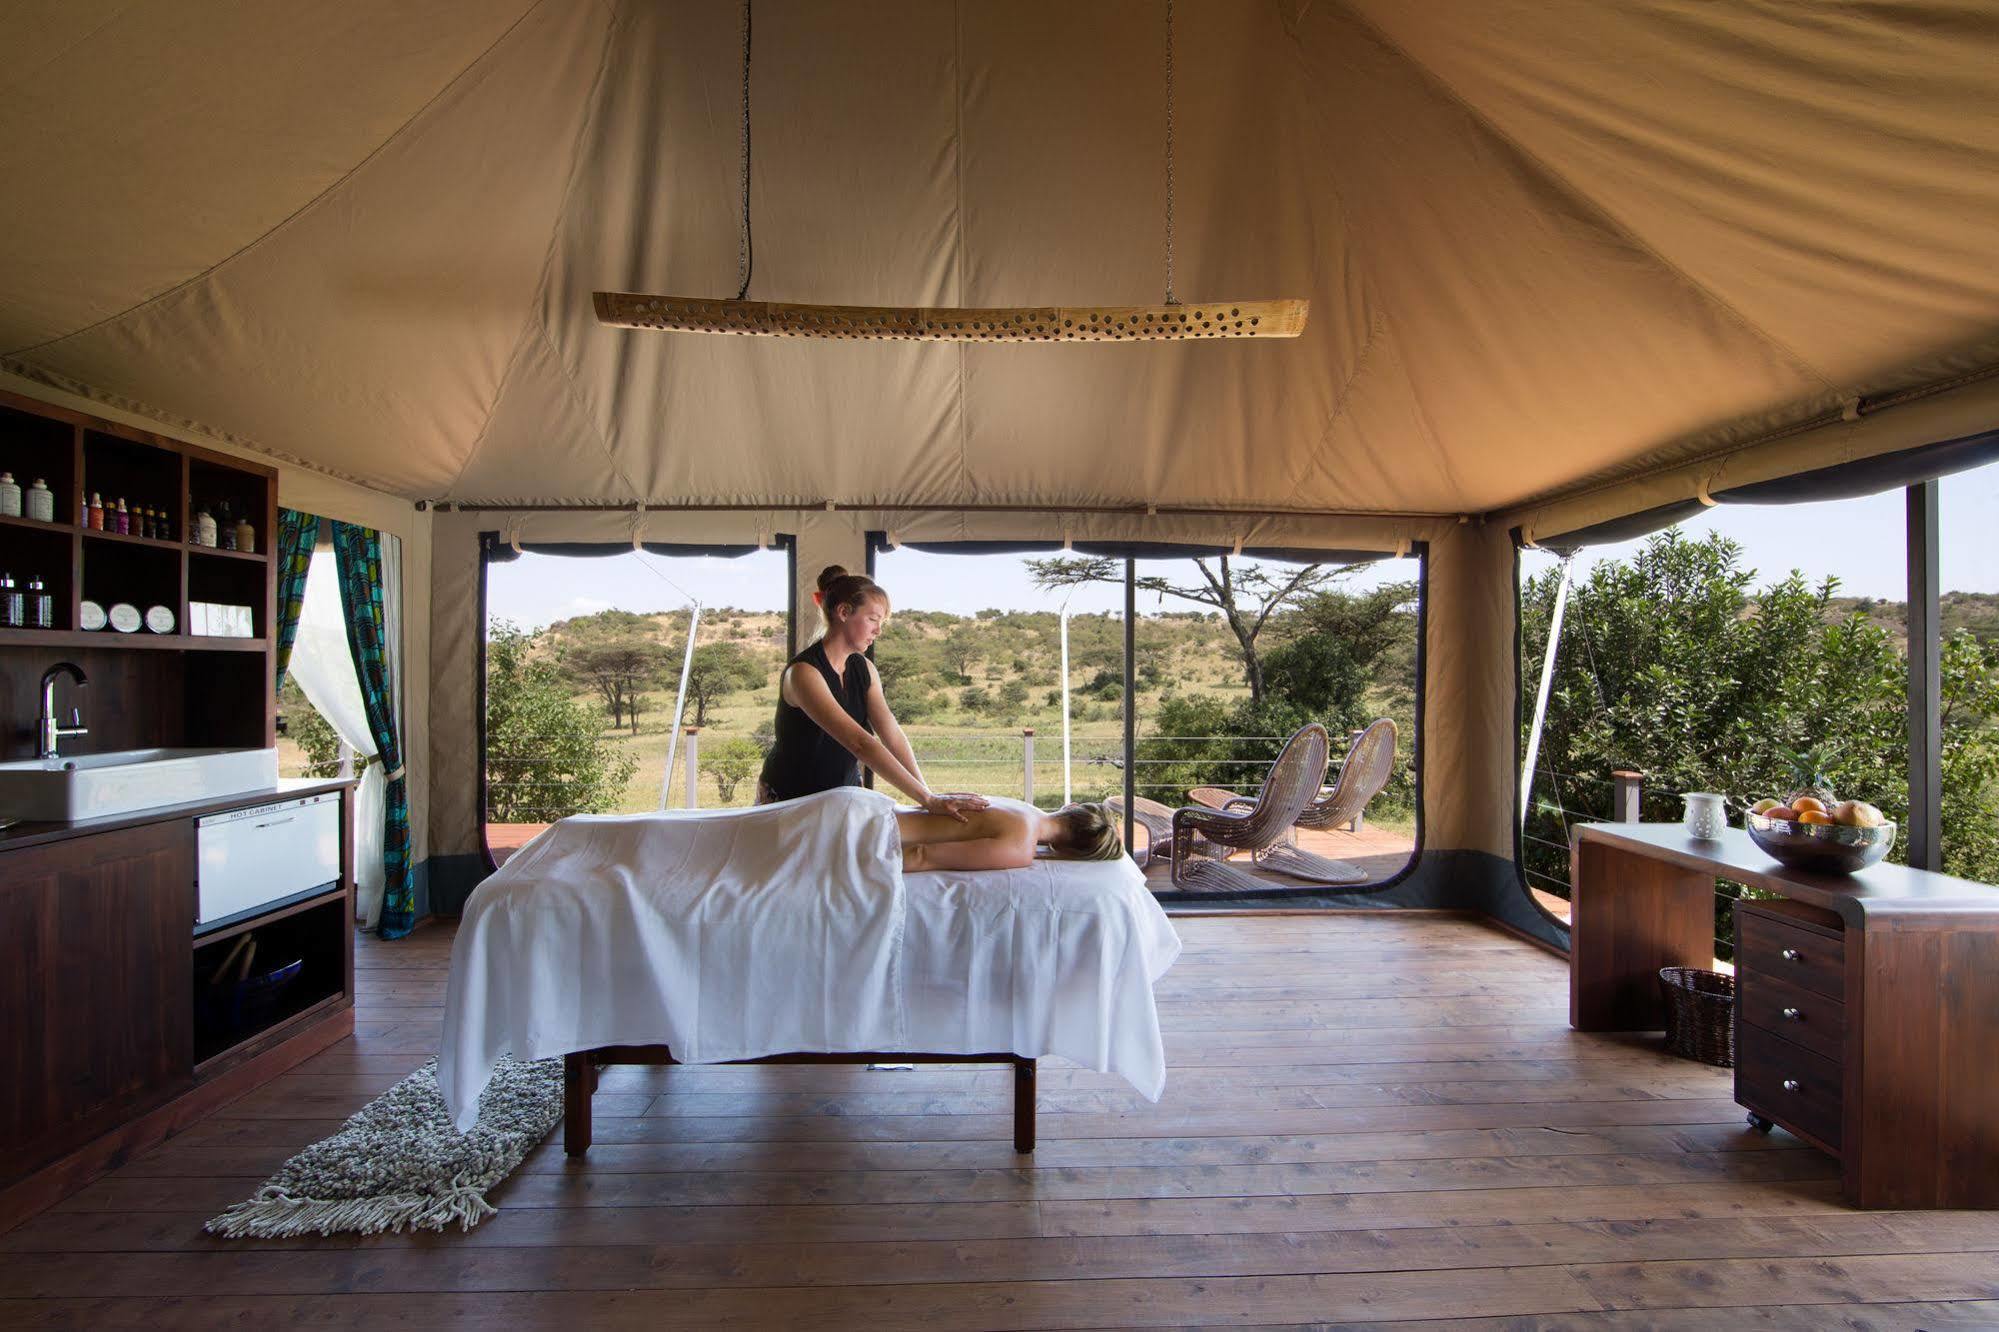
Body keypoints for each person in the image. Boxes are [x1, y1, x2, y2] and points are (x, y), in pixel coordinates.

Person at [758, 565, 987, 821]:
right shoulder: (804, 673)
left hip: (842, 796)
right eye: (873, 619)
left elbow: (891, 734)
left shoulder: (864, 668)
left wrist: (927, 795)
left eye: (882, 622)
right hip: (791, 803)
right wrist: (928, 800)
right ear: (843, 612)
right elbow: (860, 743)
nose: (879, 630)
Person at [895, 799, 1126, 872]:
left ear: (1070, 806)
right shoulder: (1020, 847)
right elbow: (921, 855)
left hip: (875, 808)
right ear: (1071, 851)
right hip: (872, 835)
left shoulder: (1022, 807)